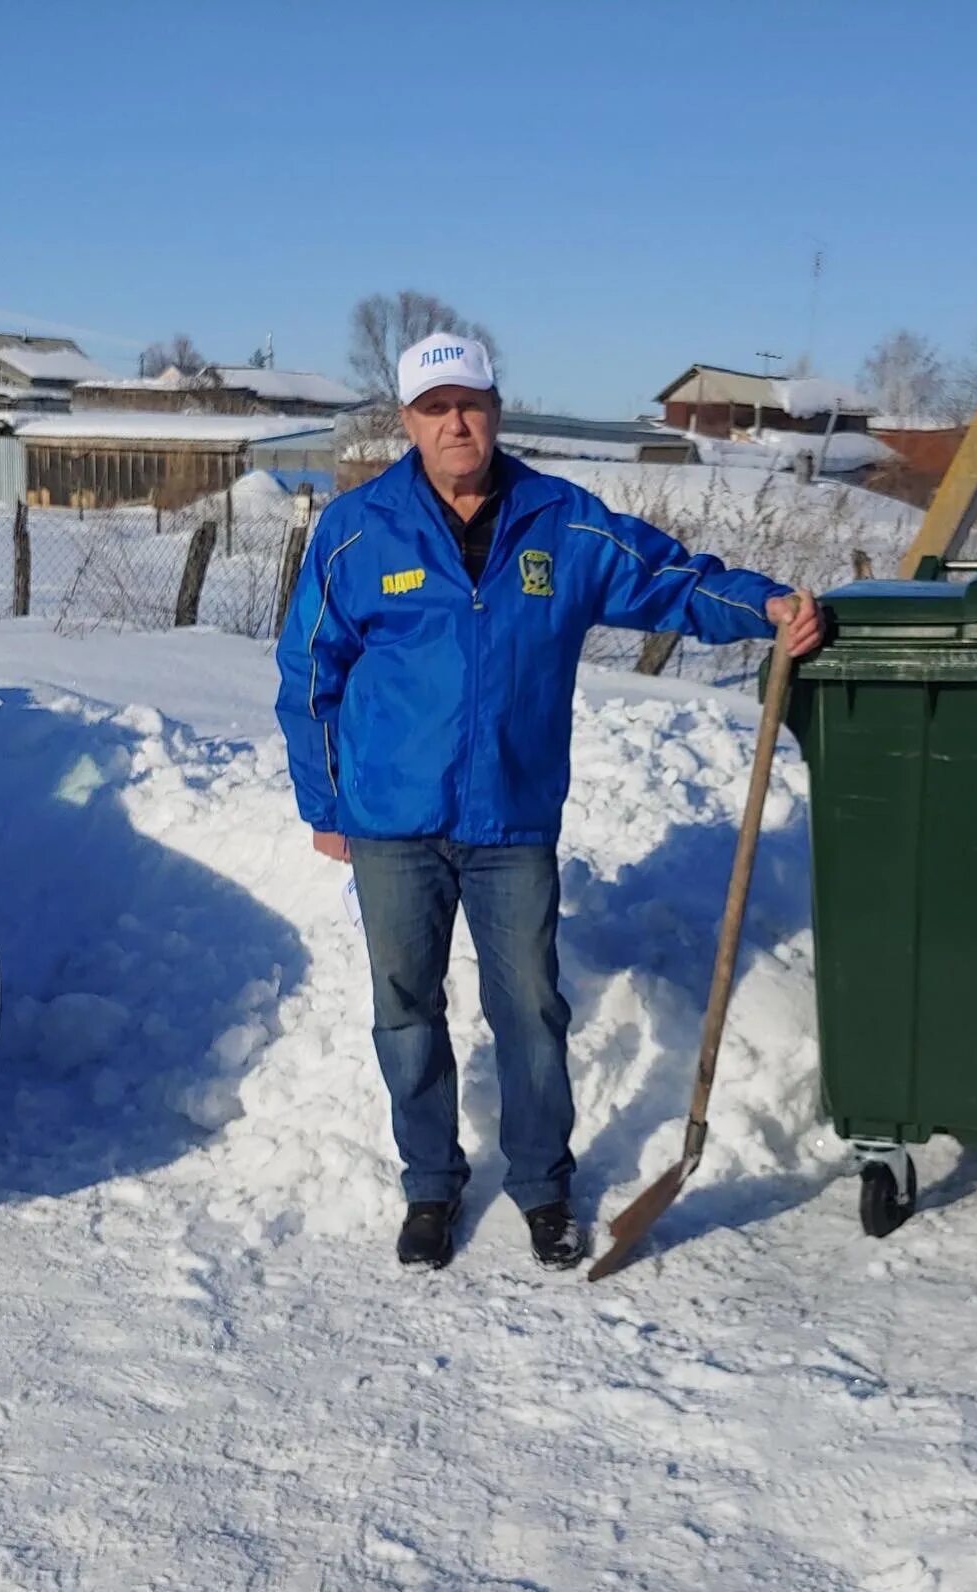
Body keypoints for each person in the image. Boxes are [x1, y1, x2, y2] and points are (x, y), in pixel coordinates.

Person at [276, 334, 823, 1273]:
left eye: (472, 403)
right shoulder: (357, 530)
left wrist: (765, 605)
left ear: (497, 408)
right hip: (391, 823)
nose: (457, 422)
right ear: (407, 420)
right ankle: (430, 1185)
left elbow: (668, 579)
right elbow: (308, 671)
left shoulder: (560, 522)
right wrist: (326, 802)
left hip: (511, 819)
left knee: (529, 1008)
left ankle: (541, 1187)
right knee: (405, 1009)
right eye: (435, 407)